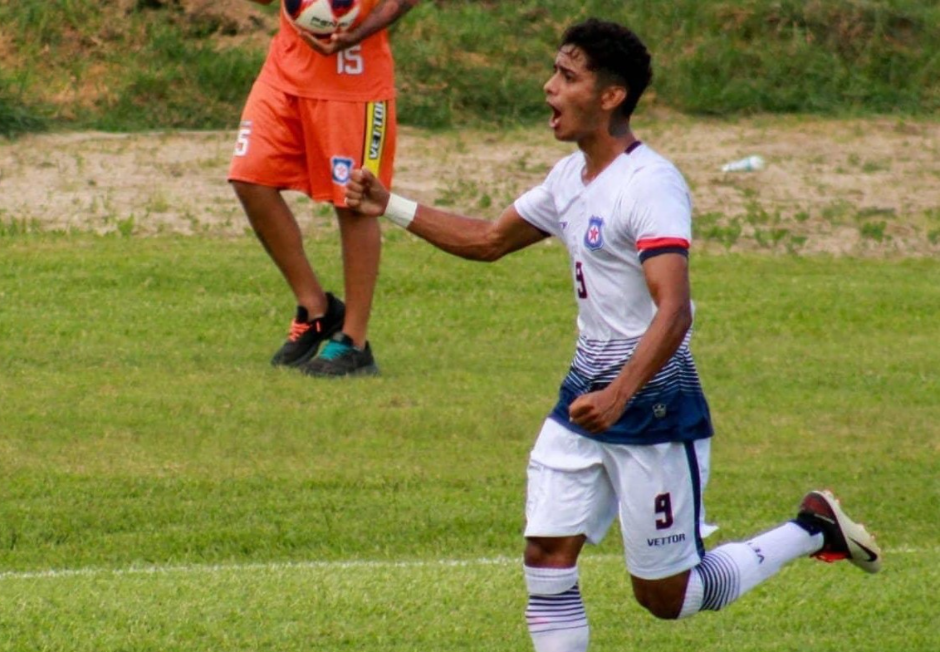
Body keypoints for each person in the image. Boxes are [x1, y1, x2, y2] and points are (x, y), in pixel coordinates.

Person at [345, 17, 882, 652]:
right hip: (583, 400)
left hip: (653, 408)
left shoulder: (650, 185)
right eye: (554, 71)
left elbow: (674, 311)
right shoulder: (569, 179)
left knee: (667, 598)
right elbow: (489, 241)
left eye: (566, 77)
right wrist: (391, 204)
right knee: (546, 554)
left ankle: (812, 528)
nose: (548, 88)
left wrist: (621, 396)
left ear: (610, 96)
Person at [229, 0, 420, 377]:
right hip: (285, 71)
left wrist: (356, 33)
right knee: (249, 177)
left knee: (355, 203)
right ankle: (317, 308)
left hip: (355, 83)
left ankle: (354, 342)